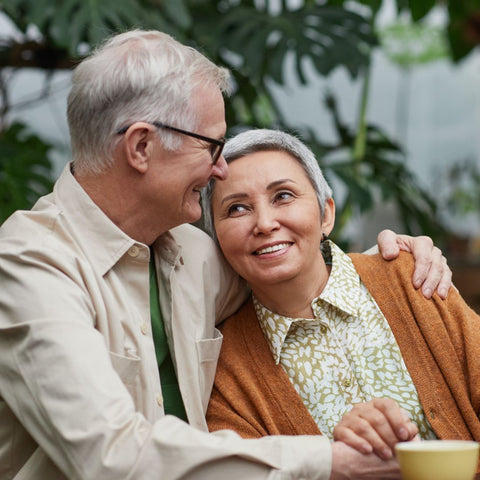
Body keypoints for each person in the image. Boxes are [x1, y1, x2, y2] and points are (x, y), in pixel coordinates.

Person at [0, 30, 451, 480]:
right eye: (211, 145)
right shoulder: (27, 266)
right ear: (141, 146)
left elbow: (292, 272)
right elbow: (110, 456)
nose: (220, 168)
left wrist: (393, 266)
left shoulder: (192, 252)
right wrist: (328, 461)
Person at [203, 129, 480, 478]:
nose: (265, 223)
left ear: (326, 215)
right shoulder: (227, 370)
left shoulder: (412, 279)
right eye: (237, 208)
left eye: (283, 196)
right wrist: (328, 460)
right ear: (216, 240)